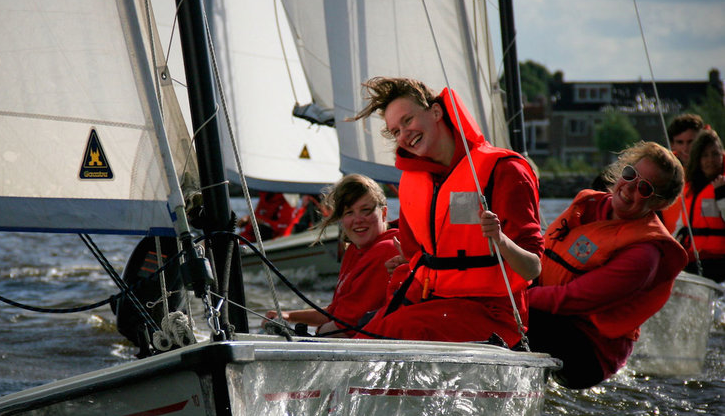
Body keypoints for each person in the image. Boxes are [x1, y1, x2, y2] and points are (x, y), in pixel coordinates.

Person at [349, 77, 543, 348]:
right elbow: (415, 252)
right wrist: (407, 263)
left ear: (437, 112)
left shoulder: (505, 170)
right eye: (395, 131)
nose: (404, 134)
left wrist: (501, 240)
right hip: (433, 302)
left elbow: (533, 267)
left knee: (393, 330)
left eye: (408, 120)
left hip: (492, 316)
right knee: (361, 335)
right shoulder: (412, 183)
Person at [528, 141, 687, 389]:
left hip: (589, 352)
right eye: (630, 175)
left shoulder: (644, 254)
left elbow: (571, 299)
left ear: (658, 204)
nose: (629, 188)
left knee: (507, 314)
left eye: (644, 188)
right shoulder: (588, 204)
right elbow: (540, 255)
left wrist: (512, 298)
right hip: (550, 314)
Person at [264, 174, 399, 335]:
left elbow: (344, 326)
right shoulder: (354, 251)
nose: (358, 220)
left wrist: (317, 334)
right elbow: (336, 313)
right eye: (349, 213)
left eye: (366, 210)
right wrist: (289, 316)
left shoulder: (385, 250)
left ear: (384, 214)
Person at [677, 128, 725, 281]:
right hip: (692, 261)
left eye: (715, 154)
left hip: (720, 264)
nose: (710, 160)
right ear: (698, 159)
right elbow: (681, 224)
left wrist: (721, 196)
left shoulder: (723, 185)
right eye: (705, 155)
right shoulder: (690, 188)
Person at [659, 113, 706, 231]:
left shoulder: (718, 169)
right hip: (673, 242)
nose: (685, 148)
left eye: (691, 142)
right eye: (680, 142)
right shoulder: (663, 170)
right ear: (672, 144)